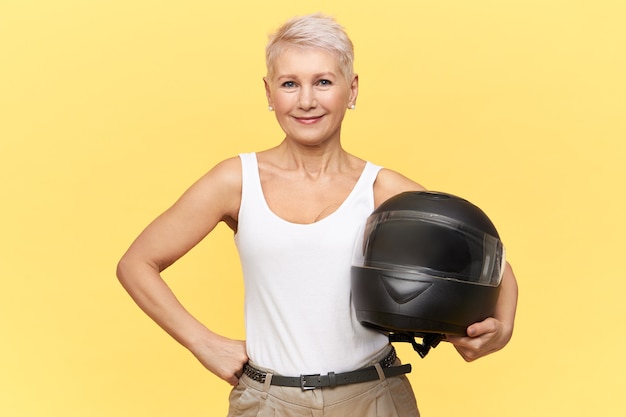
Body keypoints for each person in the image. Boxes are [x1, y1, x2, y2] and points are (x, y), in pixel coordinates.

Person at [116, 13, 518, 416]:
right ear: (270, 92)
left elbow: (493, 265)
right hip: (268, 402)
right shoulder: (237, 180)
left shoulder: (383, 190)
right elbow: (137, 263)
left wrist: (499, 331)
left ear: (352, 88)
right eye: (290, 84)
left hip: (374, 398)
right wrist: (202, 342)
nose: (306, 100)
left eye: (323, 82)